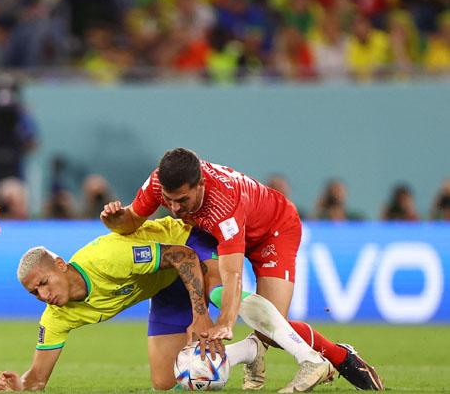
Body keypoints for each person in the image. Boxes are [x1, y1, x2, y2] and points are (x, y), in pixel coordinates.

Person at [100, 148, 383, 391]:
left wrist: (225, 322)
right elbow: (132, 220)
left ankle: (338, 355)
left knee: (271, 326)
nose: (174, 209)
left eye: (182, 200)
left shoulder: (223, 204)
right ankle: (251, 353)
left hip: (274, 230)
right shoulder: (158, 183)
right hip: (210, 233)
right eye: (169, 199)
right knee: (224, 300)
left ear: (199, 185)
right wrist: (114, 219)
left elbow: (233, 274)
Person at [0, 218, 336, 393]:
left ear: (62, 266)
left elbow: (182, 256)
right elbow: (38, 378)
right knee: (165, 380)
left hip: (186, 242)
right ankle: (248, 351)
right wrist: (21, 385)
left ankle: (313, 356)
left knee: (218, 294)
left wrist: (200, 315)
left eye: (43, 283)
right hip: (162, 280)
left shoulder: (107, 258)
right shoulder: (57, 316)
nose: (43, 295)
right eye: (34, 293)